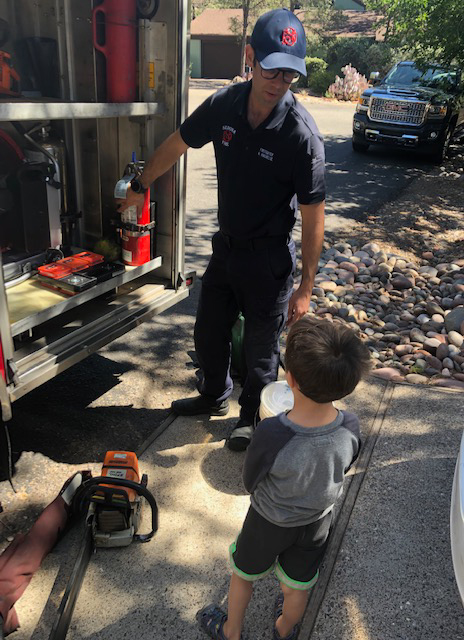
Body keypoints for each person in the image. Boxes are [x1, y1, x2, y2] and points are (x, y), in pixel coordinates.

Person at [118, 9, 326, 451]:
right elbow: (177, 144)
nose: (278, 82)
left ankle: (250, 418)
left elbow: (313, 215)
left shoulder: (301, 136)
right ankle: (213, 393)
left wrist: (306, 285)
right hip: (226, 248)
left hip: (270, 259)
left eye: (290, 74)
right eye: (272, 69)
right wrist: (140, 185)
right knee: (209, 331)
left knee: (261, 348)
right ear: (250, 56)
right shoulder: (224, 105)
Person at [196, 315, 371, 640]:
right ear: (349, 383)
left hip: (268, 521)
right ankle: (284, 629)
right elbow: (346, 463)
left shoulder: (275, 431)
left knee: (243, 575)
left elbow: (251, 478)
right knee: (297, 586)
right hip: (317, 522)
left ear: (289, 379)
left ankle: (231, 630)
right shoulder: (350, 426)